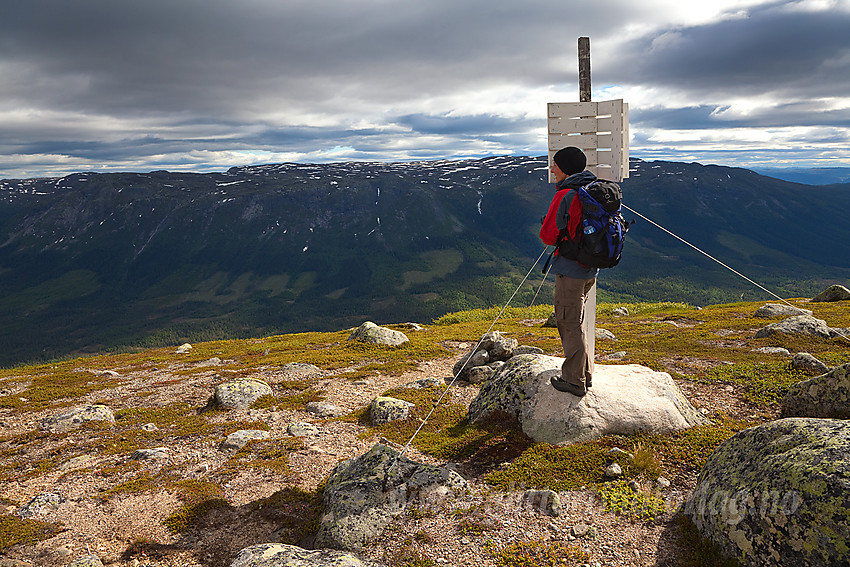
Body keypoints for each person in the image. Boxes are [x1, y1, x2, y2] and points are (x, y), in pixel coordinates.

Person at [539, 147, 598, 397]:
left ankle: (574, 381)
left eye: (555, 165)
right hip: (589, 269)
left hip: (570, 271)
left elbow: (548, 236)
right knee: (577, 321)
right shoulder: (593, 190)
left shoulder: (565, 195)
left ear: (564, 167)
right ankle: (584, 374)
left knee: (569, 324)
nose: (552, 170)